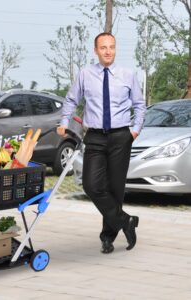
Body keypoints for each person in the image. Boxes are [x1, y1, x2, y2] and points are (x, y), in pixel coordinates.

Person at [57, 32, 146, 254]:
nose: (108, 51)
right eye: (103, 47)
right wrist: (64, 121)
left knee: (115, 189)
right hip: (95, 136)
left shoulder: (127, 74)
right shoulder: (85, 74)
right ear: (95, 50)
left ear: (115, 49)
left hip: (120, 137)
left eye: (112, 47)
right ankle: (126, 220)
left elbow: (139, 105)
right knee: (91, 185)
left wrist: (134, 131)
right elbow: (71, 100)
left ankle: (107, 237)